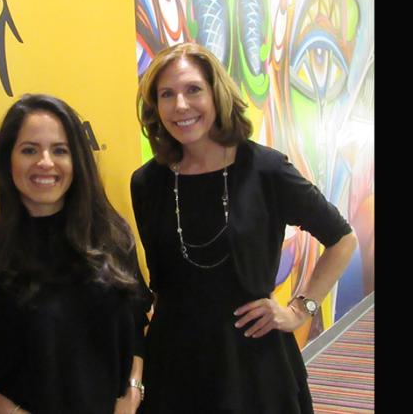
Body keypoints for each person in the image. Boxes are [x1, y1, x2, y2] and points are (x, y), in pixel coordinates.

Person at [131, 42, 357, 413]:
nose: (181, 106)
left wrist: (301, 308)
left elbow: (342, 239)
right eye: (166, 94)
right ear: (155, 106)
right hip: (175, 360)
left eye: (193, 90)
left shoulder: (264, 169)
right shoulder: (147, 182)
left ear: (216, 94)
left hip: (253, 356)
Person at [0, 94, 153, 414]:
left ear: (78, 160)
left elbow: (136, 324)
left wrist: (132, 394)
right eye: (29, 150)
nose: (45, 162)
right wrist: (9, 412)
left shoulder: (114, 243)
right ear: (8, 161)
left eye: (60, 150)